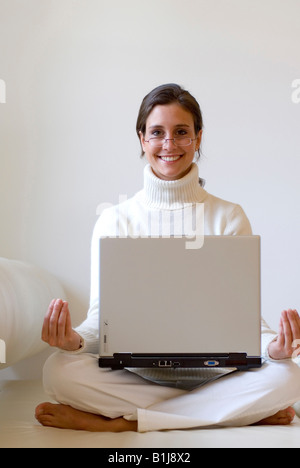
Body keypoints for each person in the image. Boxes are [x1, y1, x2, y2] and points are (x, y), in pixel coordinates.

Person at [35, 84, 300, 432]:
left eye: (181, 133)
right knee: (58, 370)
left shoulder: (229, 216)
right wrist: (76, 342)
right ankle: (227, 414)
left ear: (198, 138)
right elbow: (103, 322)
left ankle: (125, 424)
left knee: (288, 375)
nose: (169, 145)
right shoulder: (115, 220)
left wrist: (275, 348)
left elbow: (246, 322)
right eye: (157, 132)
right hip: (137, 374)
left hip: (216, 373)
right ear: (142, 138)